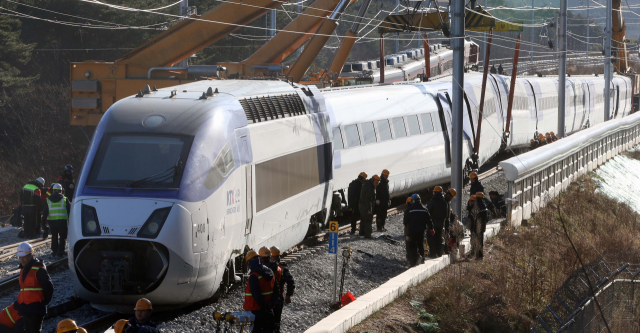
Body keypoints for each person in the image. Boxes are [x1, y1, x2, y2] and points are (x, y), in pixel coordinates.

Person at [15, 242, 53, 333]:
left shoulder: (39, 270)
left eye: (24, 257)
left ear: (30, 256)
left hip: (36, 310)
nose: (22, 260)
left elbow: (49, 288)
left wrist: (42, 303)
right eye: (20, 257)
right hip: (25, 310)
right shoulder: (22, 270)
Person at [243, 250, 280, 333]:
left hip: (256, 311)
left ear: (250, 262)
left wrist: (264, 307)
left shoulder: (254, 276)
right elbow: (276, 291)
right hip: (269, 311)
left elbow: (257, 295)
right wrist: (271, 305)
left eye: (248, 263)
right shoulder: (270, 272)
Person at [270, 246, 295, 333]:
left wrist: (288, 295)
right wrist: (288, 295)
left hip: (268, 299)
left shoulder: (265, 268)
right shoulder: (283, 268)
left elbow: (291, 282)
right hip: (278, 298)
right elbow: (291, 282)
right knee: (276, 320)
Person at [42, 184, 70, 258]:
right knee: (62, 237)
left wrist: (43, 224)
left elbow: (44, 213)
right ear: (61, 191)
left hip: (52, 222)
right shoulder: (65, 199)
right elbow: (70, 211)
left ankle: (54, 252)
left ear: (53, 190)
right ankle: (60, 252)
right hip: (62, 221)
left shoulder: (48, 199)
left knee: (54, 236)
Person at [403, 194, 432, 266]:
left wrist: (406, 225)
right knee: (420, 244)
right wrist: (431, 228)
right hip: (421, 230)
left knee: (412, 245)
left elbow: (405, 221)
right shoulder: (424, 209)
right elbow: (429, 220)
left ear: (413, 200)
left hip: (412, 231)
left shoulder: (409, 210)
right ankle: (422, 259)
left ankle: (415, 258)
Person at [426, 186, 449, 258]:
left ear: (435, 192)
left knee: (431, 238)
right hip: (441, 222)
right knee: (439, 237)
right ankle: (439, 253)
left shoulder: (432, 201)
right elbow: (446, 213)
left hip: (433, 223)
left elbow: (428, 212)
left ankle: (433, 253)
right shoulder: (444, 202)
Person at [359, 175, 379, 239]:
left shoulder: (367, 184)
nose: (376, 184)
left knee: (363, 219)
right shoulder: (370, 188)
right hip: (366, 206)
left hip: (361, 205)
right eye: (376, 183)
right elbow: (368, 200)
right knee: (368, 219)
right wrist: (369, 209)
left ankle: (361, 232)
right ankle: (368, 235)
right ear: (373, 181)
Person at [443, 188, 458, 254]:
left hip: (446, 222)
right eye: (451, 197)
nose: (451, 198)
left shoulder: (446, 202)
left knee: (446, 235)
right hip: (443, 222)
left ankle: (446, 249)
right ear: (449, 195)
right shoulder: (444, 201)